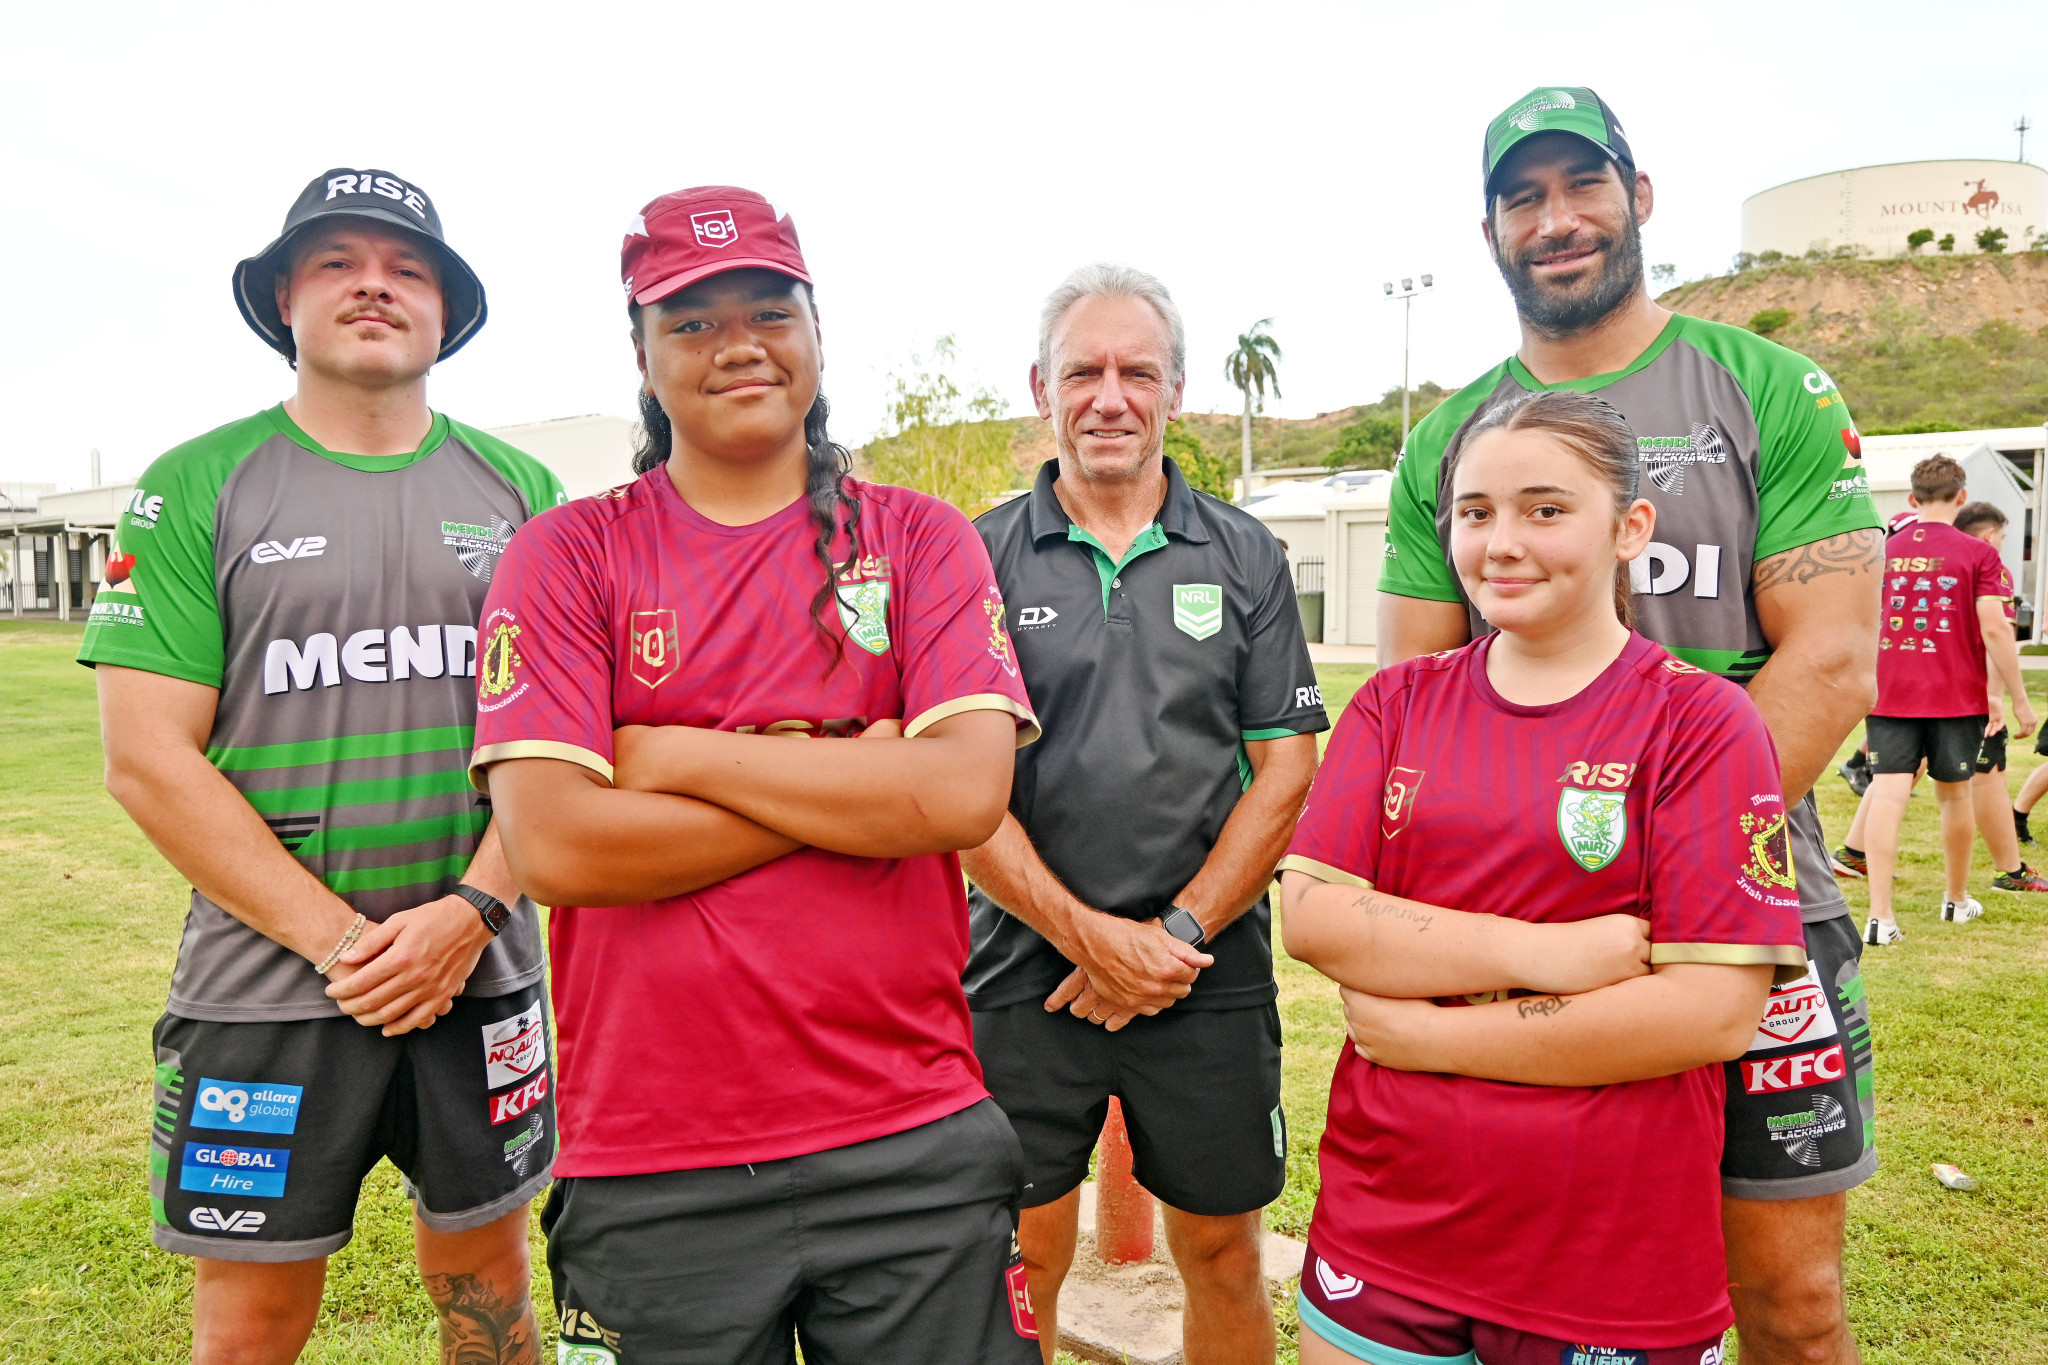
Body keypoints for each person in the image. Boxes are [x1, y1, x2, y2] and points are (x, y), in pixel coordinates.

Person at [469, 186, 1042, 1364]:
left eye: (768, 310)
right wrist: (857, 775)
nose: (736, 343)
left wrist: (672, 755)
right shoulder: (569, 554)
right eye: (688, 320)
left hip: (910, 1140)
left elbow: (959, 798)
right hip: (653, 1160)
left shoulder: (919, 538)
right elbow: (563, 848)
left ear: (816, 332)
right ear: (639, 355)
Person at [1375, 88, 1882, 1365]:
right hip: (1527, 931)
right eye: (1522, 198)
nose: (1556, 221)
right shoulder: (1446, 437)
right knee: (1534, 1297)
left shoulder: (1765, 385)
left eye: (1581, 186)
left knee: (1788, 1303)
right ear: (1488, 230)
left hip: (1756, 908)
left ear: (1637, 196)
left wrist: (1675, 871)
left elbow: (1828, 658)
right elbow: (1412, 703)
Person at [81, 168, 564, 1364]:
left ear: (446, 311)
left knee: (488, 1288)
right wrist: (344, 943)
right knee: (250, 1319)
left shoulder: (528, 496)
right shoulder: (192, 485)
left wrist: (468, 912)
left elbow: (562, 747)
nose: (373, 286)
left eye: (407, 268)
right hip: (268, 986)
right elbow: (148, 762)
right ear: (282, 297)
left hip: (480, 972)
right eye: (338, 262)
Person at [1283, 390, 1803, 1362]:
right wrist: (1552, 953)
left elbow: (1709, 1013)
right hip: (1384, 1223)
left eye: (1544, 509)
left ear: (1628, 528)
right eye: (1474, 513)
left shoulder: (1699, 723)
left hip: (1608, 1250)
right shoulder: (1394, 704)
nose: (1501, 542)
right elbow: (1312, 916)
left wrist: (1428, 1035)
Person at [962, 264, 1326, 1364]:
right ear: (1041, 385)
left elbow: (1285, 769)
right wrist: (1087, 939)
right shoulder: (974, 557)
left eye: (1135, 371)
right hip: (1026, 974)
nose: (1108, 396)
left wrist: (1171, 938)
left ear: (1175, 388)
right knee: (1015, 1262)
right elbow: (955, 790)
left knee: (1217, 1253)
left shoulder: (1242, 551)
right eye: (1083, 371)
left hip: (1205, 973)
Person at [1856, 459, 2034, 942]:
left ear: (1912, 500)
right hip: (1955, 695)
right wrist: (2018, 699)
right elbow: (1996, 628)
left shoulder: (1881, 551)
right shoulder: (1978, 553)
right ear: (1961, 497)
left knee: (1888, 794)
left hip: (1888, 691)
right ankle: (1955, 901)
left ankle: (1879, 918)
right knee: (1954, 795)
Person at [1832, 500, 2047, 892]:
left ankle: (1854, 854)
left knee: (1896, 775)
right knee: (1982, 776)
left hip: (1906, 692)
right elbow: (1996, 637)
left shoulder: (1907, 557)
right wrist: (1999, 697)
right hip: (1961, 698)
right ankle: (2005, 873)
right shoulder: (1985, 564)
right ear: (1988, 535)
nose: (2001, 543)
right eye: (2001, 536)